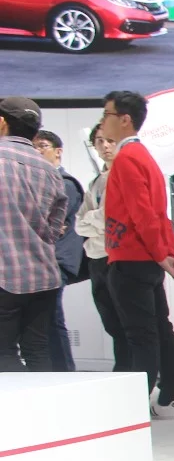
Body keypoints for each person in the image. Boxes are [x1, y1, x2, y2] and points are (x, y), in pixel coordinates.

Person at [100, 90, 174, 418]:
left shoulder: (126, 158)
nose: (103, 121)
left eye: (107, 114)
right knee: (158, 329)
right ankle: (166, 397)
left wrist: (161, 253)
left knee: (140, 335)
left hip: (131, 256)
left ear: (124, 119)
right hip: (146, 258)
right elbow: (157, 213)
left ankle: (138, 406)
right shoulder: (145, 157)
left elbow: (142, 212)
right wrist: (163, 253)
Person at [0, 97, 67, 371]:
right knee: (38, 349)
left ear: (2, 122)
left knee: (3, 351)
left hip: (4, 276)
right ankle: (45, 412)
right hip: (43, 276)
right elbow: (54, 231)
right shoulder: (50, 172)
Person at [76, 129, 131, 370]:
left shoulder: (122, 176)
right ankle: (123, 368)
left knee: (127, 322)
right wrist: (95, 221)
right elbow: (79, 222)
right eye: (100, 141)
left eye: (111, 140)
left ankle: (132, 371)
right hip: (96, 257)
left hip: (117, 257)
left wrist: (94, 220)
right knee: (111, 322)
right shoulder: (96, 181)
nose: (105, 146)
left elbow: (110, 216)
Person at [32, 129, 85, 371]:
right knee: (43, 321)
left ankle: (66, 373)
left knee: (52, 320)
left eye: (42, 146)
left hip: (57, 260)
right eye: (34, 147)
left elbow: (52, 222)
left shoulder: (66, 183)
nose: (37, 151)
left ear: (58, 152)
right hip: (43, 260)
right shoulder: (42, 183)